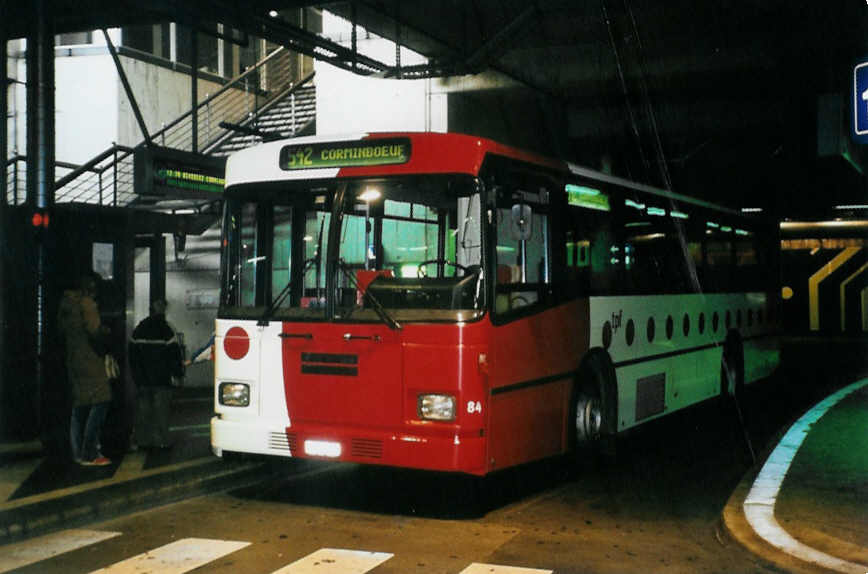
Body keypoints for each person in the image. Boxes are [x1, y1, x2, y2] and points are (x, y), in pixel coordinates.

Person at [57, 272, 113, 466]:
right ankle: (90, 453)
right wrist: (105, 332)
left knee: (79, 406)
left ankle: (77, 453)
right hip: (90, 359)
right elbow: (94, 331)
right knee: (101, 401)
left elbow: (63, 330)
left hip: (73, 359)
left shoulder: (65, 304)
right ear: (90, 287)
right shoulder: (87, 303)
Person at [128, 299, 184, 449]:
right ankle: (162, 441)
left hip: (143, 380)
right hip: (161, 379)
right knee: (162, 412)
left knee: (143, 411)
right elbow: (175, 355)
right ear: (163, 310)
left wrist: (136, 376)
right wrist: (178, 375)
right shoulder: (166, 329)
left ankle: (141, 441)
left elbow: (132, 355)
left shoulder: (139, 328)